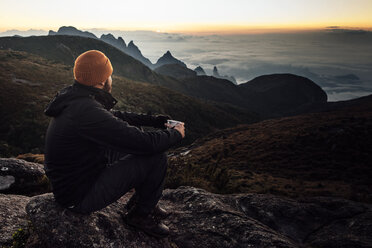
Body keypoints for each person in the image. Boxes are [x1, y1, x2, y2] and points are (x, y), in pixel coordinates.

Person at [44, 50, 185, 238]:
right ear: (102, 81)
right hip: (78, 196)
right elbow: (145, 144)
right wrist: (176, 134)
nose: (111, 78)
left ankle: (141, 202)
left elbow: (115, 117)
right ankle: (140, 216)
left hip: (77, 177)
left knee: (138, 139)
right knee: (155, 157)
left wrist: (155, 121)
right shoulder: (86, 110)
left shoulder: (76, 99)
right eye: (109, 74)